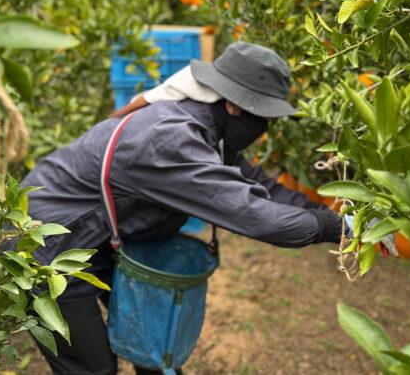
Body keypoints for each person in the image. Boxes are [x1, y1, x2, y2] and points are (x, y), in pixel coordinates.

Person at [21, 42, 345, 375]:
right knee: (94, 368)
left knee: (153, 346)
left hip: (99, 238)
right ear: (233, 106)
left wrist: (338, 218)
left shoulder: (207, 130)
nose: (264, 128)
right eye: (262, 116)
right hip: (45, 244)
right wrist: (333, 228)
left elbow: (262, 189)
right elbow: (253, 214)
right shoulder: (171, 140)